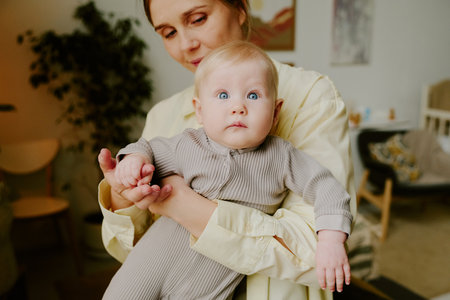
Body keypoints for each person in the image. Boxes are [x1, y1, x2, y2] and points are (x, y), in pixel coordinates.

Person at [97, 0, 357, 299]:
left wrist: (184, 205)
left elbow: (316, 253)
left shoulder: (311, 96)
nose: (186, 44)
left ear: (241, 8)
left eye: (197, 19)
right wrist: (124, 189)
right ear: (199, 110)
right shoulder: (163, 115)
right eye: (168, 32)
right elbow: (129, 247)